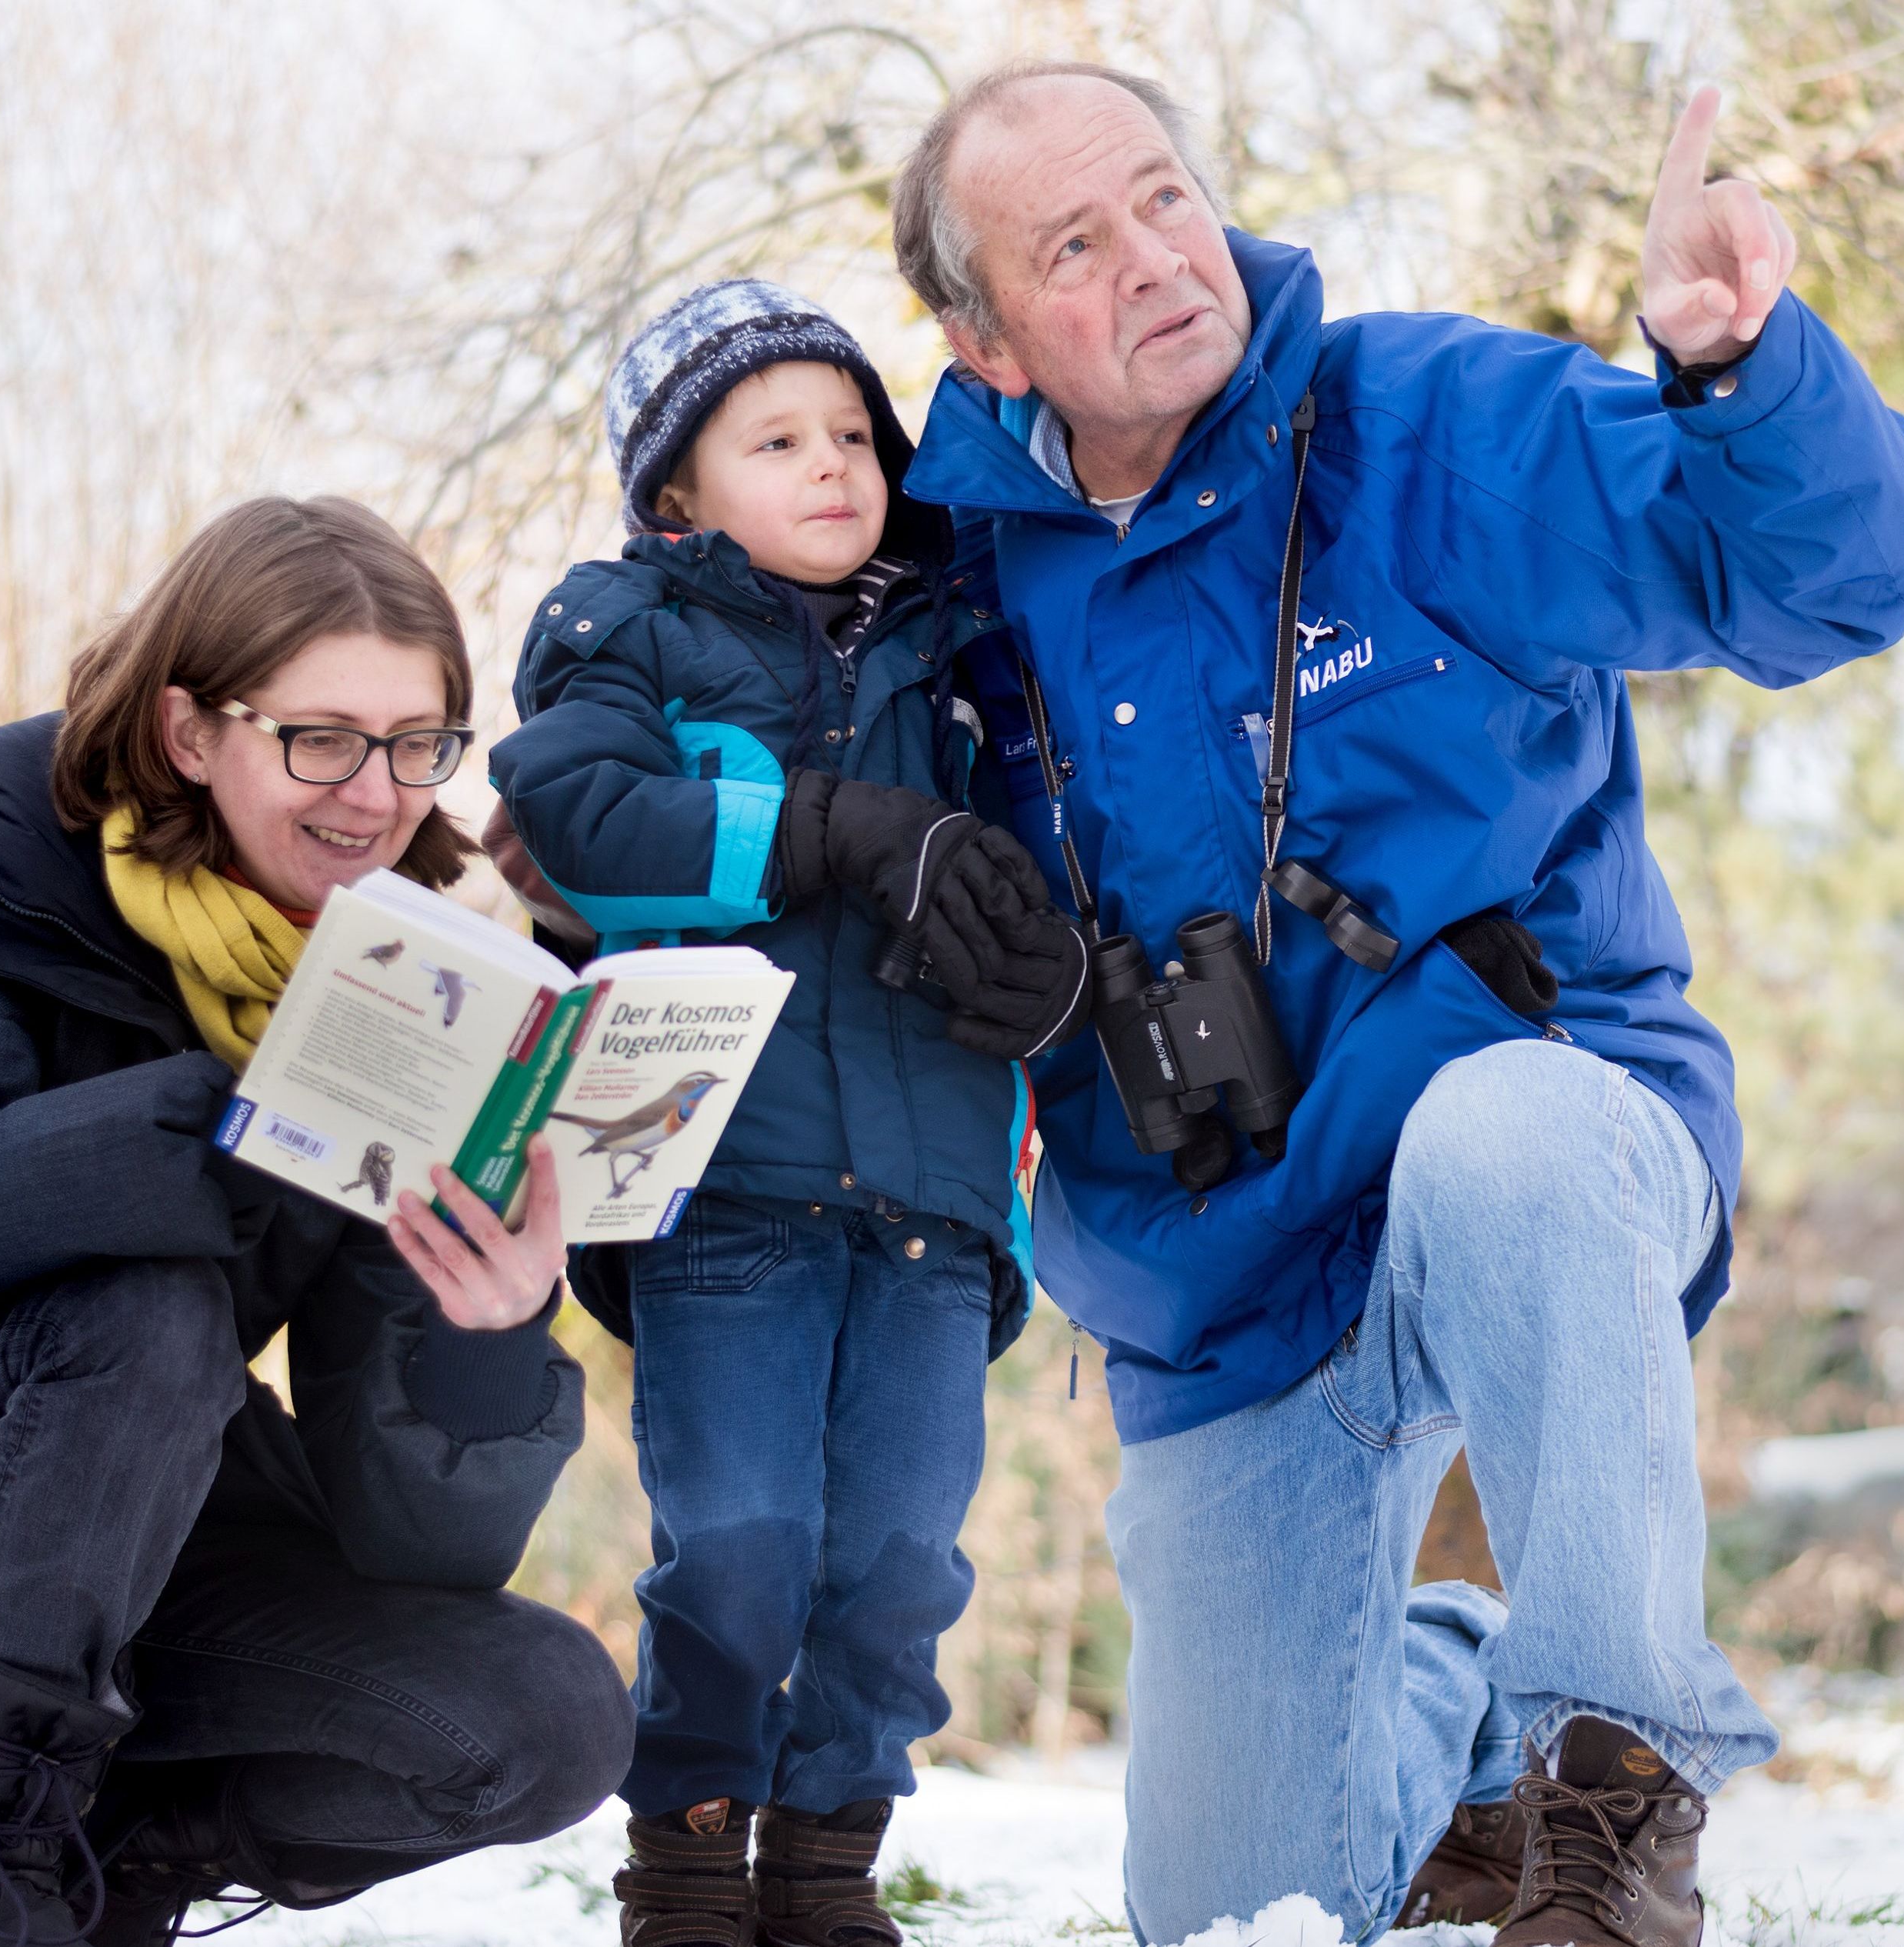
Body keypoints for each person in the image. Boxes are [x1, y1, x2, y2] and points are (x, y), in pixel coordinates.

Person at [885, 63, 1904, 1947]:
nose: (1157, 260)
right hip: (1227, 1282)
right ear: (987, 344)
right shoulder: (942, 591)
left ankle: (1613, 1780)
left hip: (1541, 1141)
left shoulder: (1427, 426)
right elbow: (775, 793)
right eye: (1074, 246)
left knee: (1503, 1128)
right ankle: (1449, 1697)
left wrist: (1738, 369)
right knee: (1231, 1915)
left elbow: (1817, 583)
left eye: (1164, 197)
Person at [0, 496, 633, 1947]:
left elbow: (417, 1547)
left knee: (550, 1714)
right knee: (146, 1305)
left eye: (417, 744)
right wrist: (251, 1105)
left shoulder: (399, 996)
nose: (374, 793)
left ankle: (119, 1861)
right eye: (321, 738)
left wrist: (490, 1331)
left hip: (108, 1528)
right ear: (189, 732)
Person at [487, 280, 1085, 1947]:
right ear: (678, 495)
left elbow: (1061, 837)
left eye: (852, 436)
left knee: (898, 1558)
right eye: (775, 441)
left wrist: (1051, 964)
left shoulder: (966, 639)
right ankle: (688, 1857)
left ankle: (827, 1862)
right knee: (743, 1540)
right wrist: (824, 828)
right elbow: (582, 814)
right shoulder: (626, 626)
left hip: (937, 1192)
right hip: (722, 1186)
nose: (833, 464)